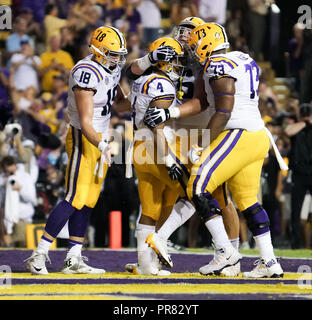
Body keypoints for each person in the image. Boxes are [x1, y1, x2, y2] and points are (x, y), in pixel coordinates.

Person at [144, 22, 286, 278]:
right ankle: (269, 261)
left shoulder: (217, 64)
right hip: (257, 136)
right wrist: (171, 111)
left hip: (238, 134)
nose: (195, 49)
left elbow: (223, 110)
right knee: (249, 202)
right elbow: (203, 101)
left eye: (198, 44)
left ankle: (225, 252)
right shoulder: (241, 57)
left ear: (208, 43)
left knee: (196, 186)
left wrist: (202, 144)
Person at [128, 17, 242, 276]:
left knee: (216, 194)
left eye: (191, 33)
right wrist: (149, 58)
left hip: (198, 129)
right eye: (182, 31)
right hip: (168, 132)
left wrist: (171, 113)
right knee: (171, 196)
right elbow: (130, 74)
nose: (184, 36)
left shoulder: (205, 61)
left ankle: (228, 255)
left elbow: (201, 102)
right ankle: (152, 254)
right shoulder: (168, 51)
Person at [25, 25, 129, 275]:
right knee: (74, 197)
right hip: (84, 137)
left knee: (89, 200)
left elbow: (122, 105)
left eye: (119, 54)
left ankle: (73, 258)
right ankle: (39, 255)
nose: (117, 58)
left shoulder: (111, 69)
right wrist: (103, 144)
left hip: (102, 137)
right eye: (112, 53)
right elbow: (85, 123)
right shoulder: (85, 72)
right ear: (97, 50)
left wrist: (141, 96)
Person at [124, 36, 188, 275]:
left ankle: (145, 264)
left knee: (150, 209)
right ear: (165, 61)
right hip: (158, 149)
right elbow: (157, 126)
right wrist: (169, 159)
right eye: (176, 60)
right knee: (194, 194)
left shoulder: (142, 80)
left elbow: (126, 103)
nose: (179, 65)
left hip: (139, 148)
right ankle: (160, 240)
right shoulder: (163, 85)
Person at [284, 103, 312, 249]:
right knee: (296, 211)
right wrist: (305, 122)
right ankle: (295, 244)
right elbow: (288, 132)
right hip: (299, 174)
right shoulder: (298, 126)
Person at [0, 155, 37, 247]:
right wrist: (3, 185)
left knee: (22, 253)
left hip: (22, 221)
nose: (8, 171)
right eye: (6, 170)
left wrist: (20, 189)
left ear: (15, 165)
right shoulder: (2, 178)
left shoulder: (25, 177)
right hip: (5, 222)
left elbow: (31, 198)